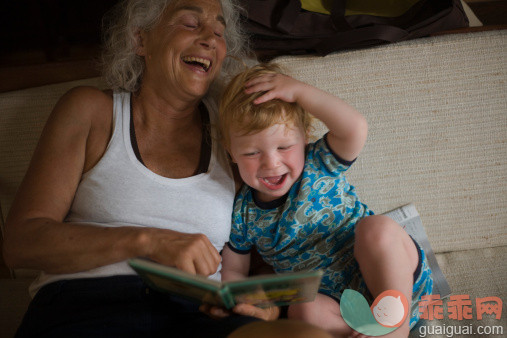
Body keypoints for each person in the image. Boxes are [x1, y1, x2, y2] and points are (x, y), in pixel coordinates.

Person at [2, 1, 330, 337]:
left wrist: (265, 302)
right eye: (189, 23)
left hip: (200, 315)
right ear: (140, 40)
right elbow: (20, 242)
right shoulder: (91, 111)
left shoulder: (235, 135)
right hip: (85, 307)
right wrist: (148, 241)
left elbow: (265, 243)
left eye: (219, 31)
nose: (209, 39)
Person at [217, 63, 434, 337]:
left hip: (394, 282)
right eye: (251, 153)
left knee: (376, 228)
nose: (271, 163)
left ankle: (395, 326)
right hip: (339, 310)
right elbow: (234, 270)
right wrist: (238, 298)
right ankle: (369, 332)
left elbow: (355, 127)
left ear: (304, 138)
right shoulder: (242, 214)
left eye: (284, 147)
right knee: (302, 311)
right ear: (231, 152)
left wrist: (299, 91)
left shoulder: (319, 162)